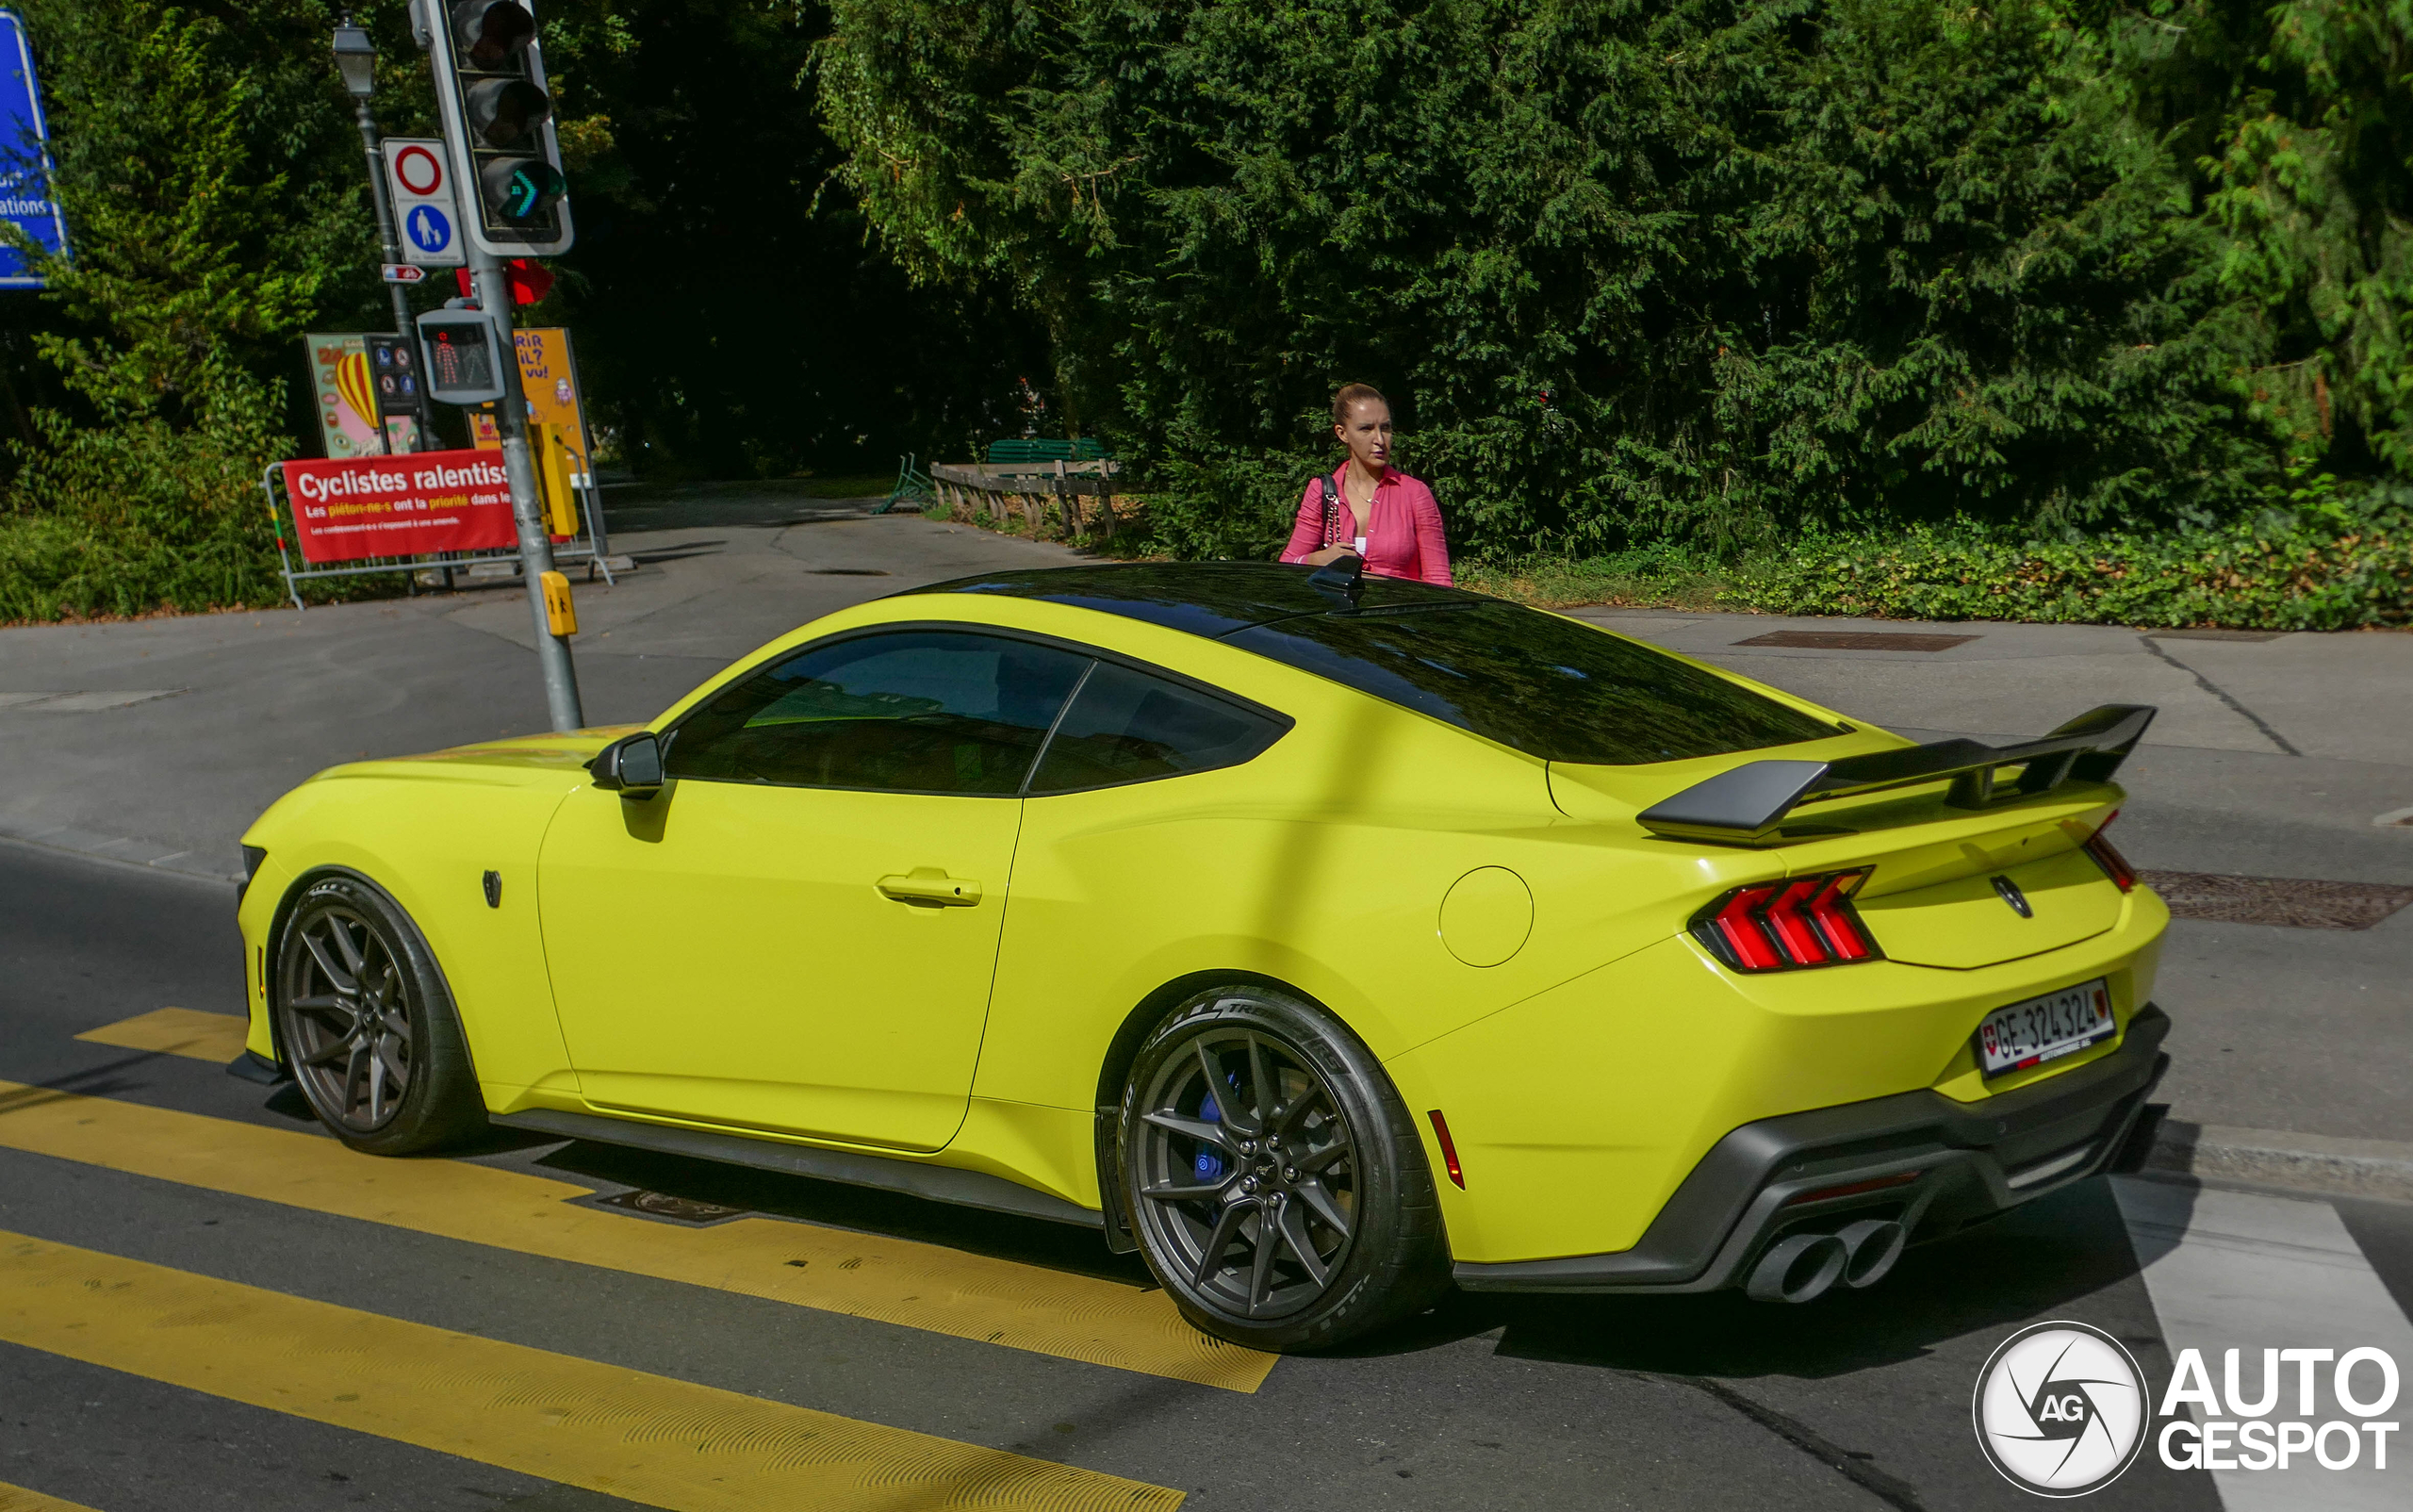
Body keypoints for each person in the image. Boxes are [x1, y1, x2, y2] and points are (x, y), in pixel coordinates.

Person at [1279, 383, 1453, 585]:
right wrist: (1317, 560)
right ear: (1342, 433)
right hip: (1338, 615)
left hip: (1395, 613)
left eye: (1385, 428)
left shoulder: (1414, 493)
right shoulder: (1322, 492)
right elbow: (1287, 566)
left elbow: (1439, 581)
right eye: (1366, 429)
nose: (1379, 439)